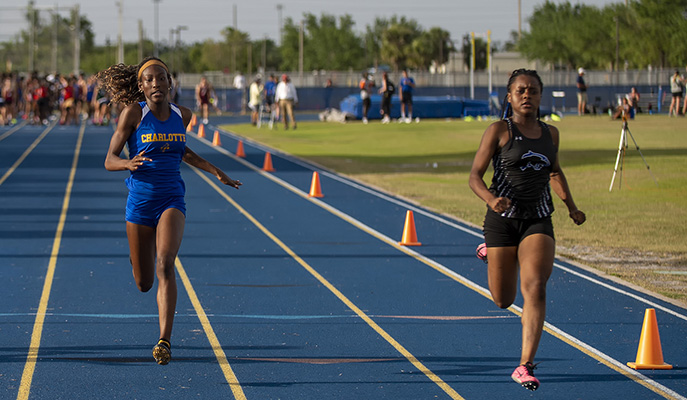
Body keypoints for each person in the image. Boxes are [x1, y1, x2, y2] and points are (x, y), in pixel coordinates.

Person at [96, 56, 242, 365]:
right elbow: (109, 158)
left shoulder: (182, 115)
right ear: (141, 86)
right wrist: (127, 163)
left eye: (160, 78)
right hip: (139, 203)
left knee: (165, 263)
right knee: (144, 282)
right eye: (148, 79)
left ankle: (164, 341)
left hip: (171, 199)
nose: (155, 83)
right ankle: (141, 263)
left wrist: (216, 170)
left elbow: (181, 150)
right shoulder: (133, 114)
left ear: (170, 82)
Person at [468, 68, 586, 391]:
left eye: (533, 90)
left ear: (540, 96)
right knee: (503, 299)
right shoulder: (499, 131)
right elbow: (474, 177)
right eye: (520, 90)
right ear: (509, 96)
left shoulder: (551, 134)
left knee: (535, 285)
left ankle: (525, 365)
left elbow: (555, 172)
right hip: (502, 222)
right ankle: (491, 254)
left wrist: (571, 207)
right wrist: (492, 200)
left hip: (538, 219)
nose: (526, 95)